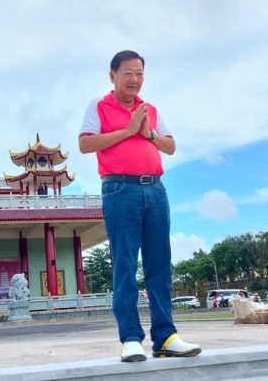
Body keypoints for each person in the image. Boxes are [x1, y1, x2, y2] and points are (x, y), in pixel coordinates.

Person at [78, 50, 201, 362]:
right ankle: (131, 338)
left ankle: (166, 336)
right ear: (112, 76)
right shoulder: (98, 106)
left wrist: (148, 134)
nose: (134, 80)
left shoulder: (152, 110)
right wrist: (128, 131)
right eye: (127, 73)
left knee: (160, 264)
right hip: (120, 189)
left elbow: (170, 146)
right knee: (125, 265)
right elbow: (85, 143)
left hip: (155, 189)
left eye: (140, 74)